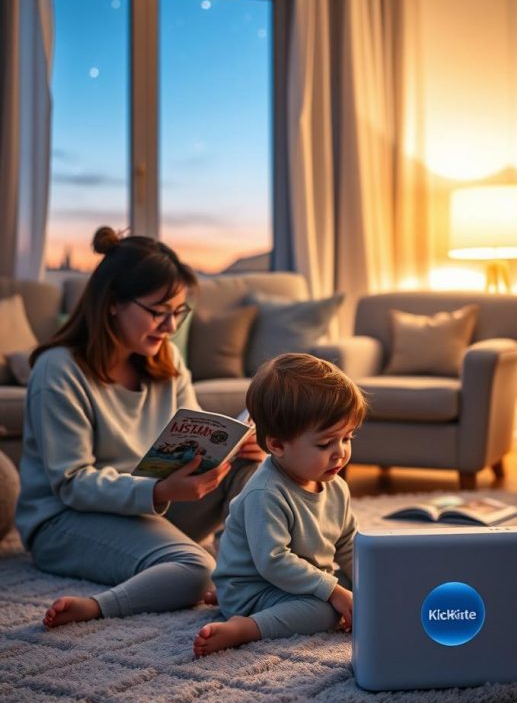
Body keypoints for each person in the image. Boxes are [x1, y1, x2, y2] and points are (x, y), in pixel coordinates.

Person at [15, 227, 264, 628]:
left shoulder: (166, 361)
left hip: (150, 503)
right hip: (66, 520)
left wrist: (234, 451)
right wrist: (160, 490)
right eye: (157, 311)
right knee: (194, 568)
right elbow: (71, 483)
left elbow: (195, 434)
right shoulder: (58, 370)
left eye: (178, 313)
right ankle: (96, 606)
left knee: (253, 469)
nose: (169, 327)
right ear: (113, 302)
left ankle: (245, 571)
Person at [194, 352, 367, 658]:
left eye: (347, 438)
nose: (340, 453)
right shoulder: (265, 492)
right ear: (276, 445)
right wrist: (335, 593)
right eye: (325, 443)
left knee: (351, 589)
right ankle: (244, 627)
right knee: (326, 611)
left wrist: (368, 584)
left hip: (295, 580)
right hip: (253, 589)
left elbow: (347, 546)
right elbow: (273, 561)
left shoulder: (336, 485)